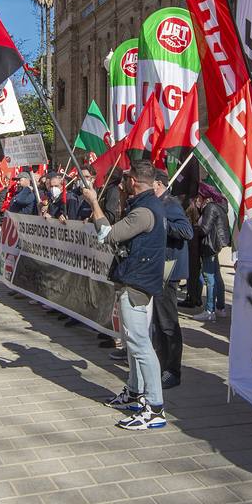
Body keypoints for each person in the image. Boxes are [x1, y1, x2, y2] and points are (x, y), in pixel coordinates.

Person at [82, 161, 169, 430]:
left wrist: (94, 202)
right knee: (133, 343)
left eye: (126, 179)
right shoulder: (147, 206)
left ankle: (155, 407)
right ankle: (134, 391)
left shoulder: (143, 212)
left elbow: (108, 235)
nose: (123, 183)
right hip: (137, 279)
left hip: (137, 283)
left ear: (134, 182)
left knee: (140, 344)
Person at [150, 169, 193, 389]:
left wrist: (163, 224)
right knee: (158, 322)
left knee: (168, 323)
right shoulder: (157, 204)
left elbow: (187, 232)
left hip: (169, 272)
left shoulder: (171, 204)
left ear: (158, 184)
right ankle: (161, 364)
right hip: (157, 270)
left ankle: (172, 371)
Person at [193, 185, 229, 321]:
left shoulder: (209, 208)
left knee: (209, 278)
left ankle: (209, 310)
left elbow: (204, 229)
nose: (196, 200)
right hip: (215, 245)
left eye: (198, 196)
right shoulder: (218, 206)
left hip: (209, 245)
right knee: (217, 277)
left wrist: (193, 229)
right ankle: (220, 307)